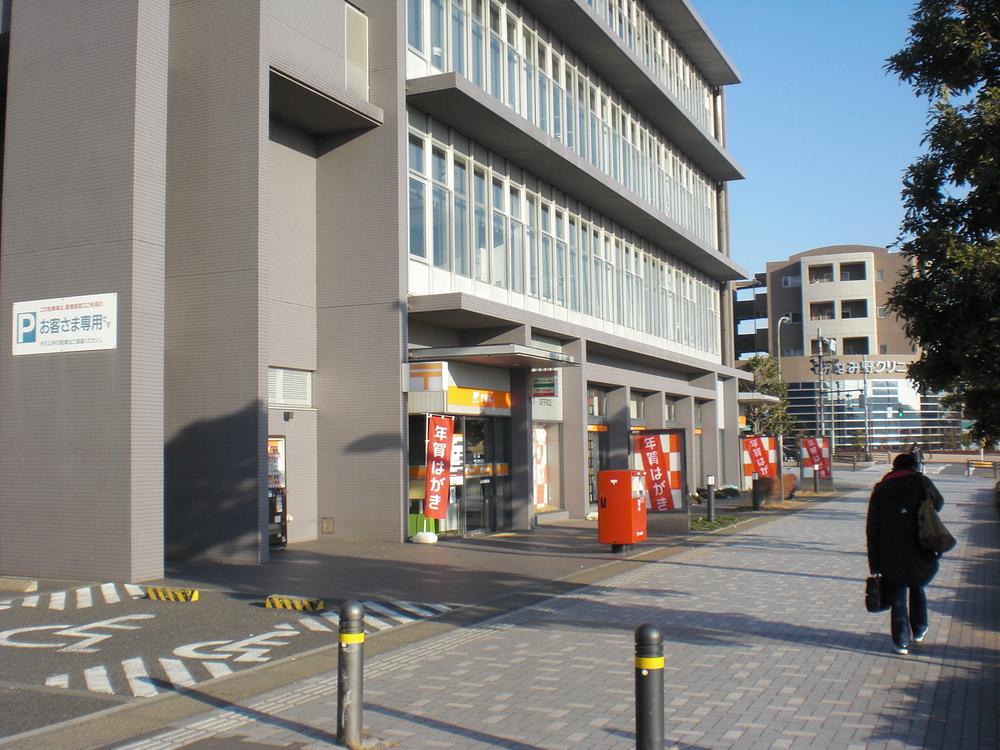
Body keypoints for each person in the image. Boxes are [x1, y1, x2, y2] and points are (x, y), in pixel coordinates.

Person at [866, 452, 944, 654]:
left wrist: (874, 563)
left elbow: (872, 528)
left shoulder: (880, 489)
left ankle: (901, 641)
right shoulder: (921, 482)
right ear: (914, 467)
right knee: (917, 585)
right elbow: (939, 503)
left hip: (889, 550)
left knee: (897, 593)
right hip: (919, 545)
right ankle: (919, 628)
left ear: (894, 468)